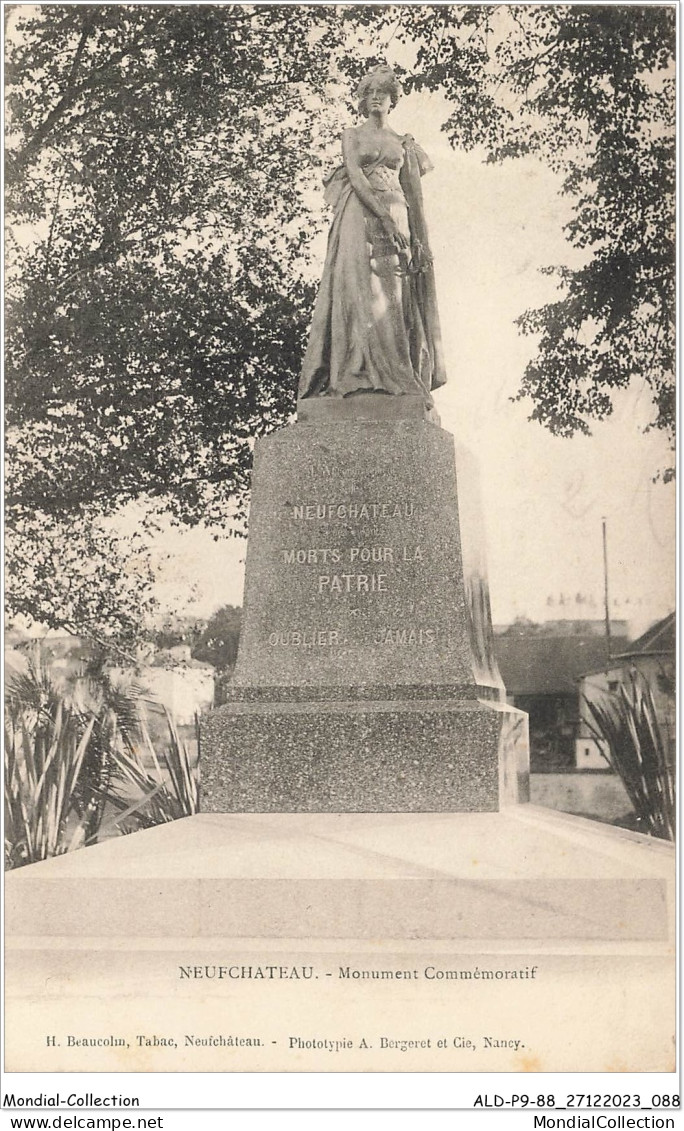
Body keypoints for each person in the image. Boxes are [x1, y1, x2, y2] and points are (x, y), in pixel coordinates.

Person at [298, 64, 446, 407]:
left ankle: (396, 374)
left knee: (393, 294)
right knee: (357, 289)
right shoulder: (352, 135)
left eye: (383, 92)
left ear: (392, 100)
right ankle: (353, 372)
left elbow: (414, 194)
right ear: (362, 101)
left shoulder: (403, 142)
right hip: (359, 214)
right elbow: (355, 174)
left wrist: (414, 235)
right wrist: (383, 217)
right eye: (370, 93)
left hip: (397, 212)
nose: (376, 97)